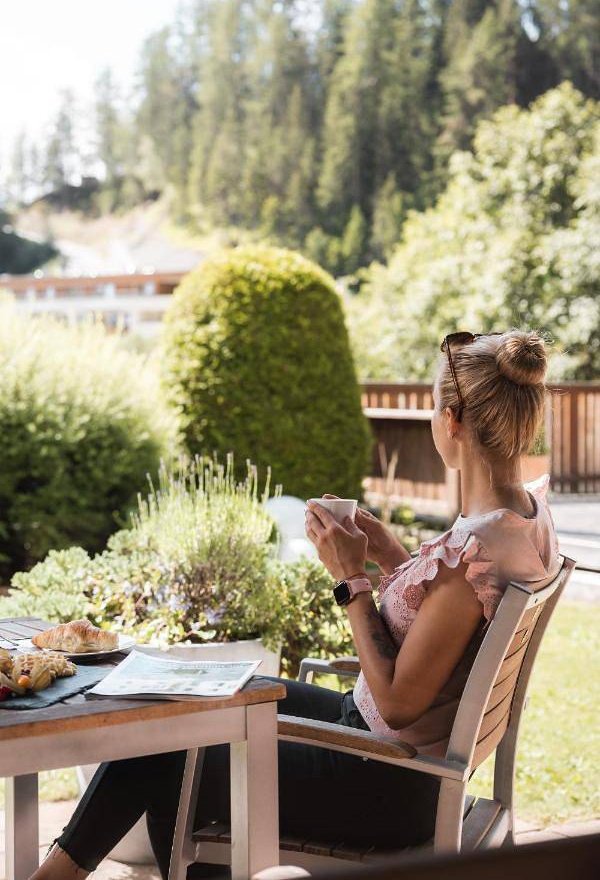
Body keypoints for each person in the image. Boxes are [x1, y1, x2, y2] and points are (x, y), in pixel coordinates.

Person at [32, 329, 560, 880]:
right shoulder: (522, 518)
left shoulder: (472, 555)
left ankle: (55, 876)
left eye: (432, 409)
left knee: (165, 750)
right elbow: (444, 624)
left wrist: (350, 576)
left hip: (386, 782)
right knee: (196, 711)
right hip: (382, 747)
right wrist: (388, 556)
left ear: (452, 419)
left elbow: (401, 702)